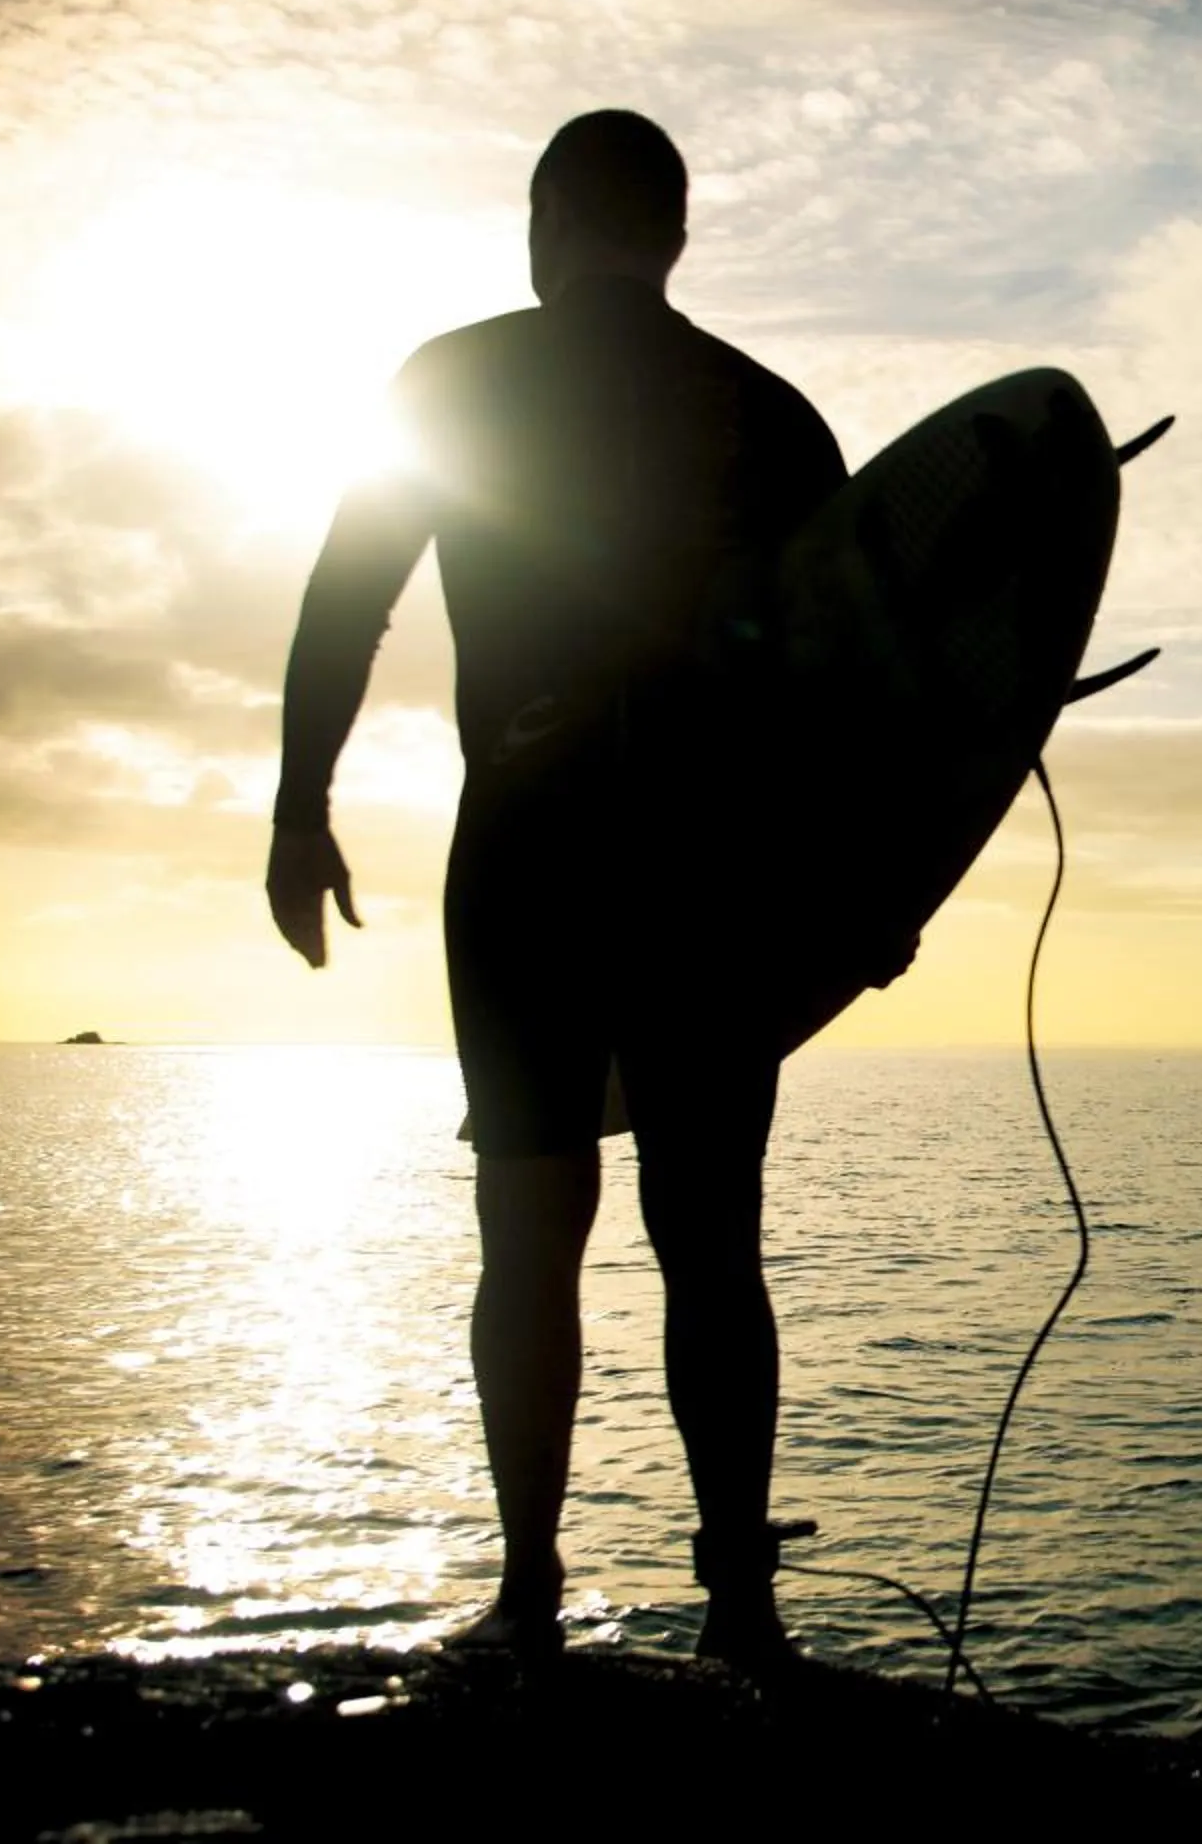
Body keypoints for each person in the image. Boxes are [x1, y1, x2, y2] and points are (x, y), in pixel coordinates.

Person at [266, 109, 904, 1666]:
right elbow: (857, 675)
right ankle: (741, 1613)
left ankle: (528, 1593)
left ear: (544, 222)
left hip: (532, 848)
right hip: (715, 866)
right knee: (712, 1237)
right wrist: (880, 881)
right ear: (677, 236)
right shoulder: (766, 414)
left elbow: (349, 594)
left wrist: (301, 805)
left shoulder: (457, 378)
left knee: (527, 1225)